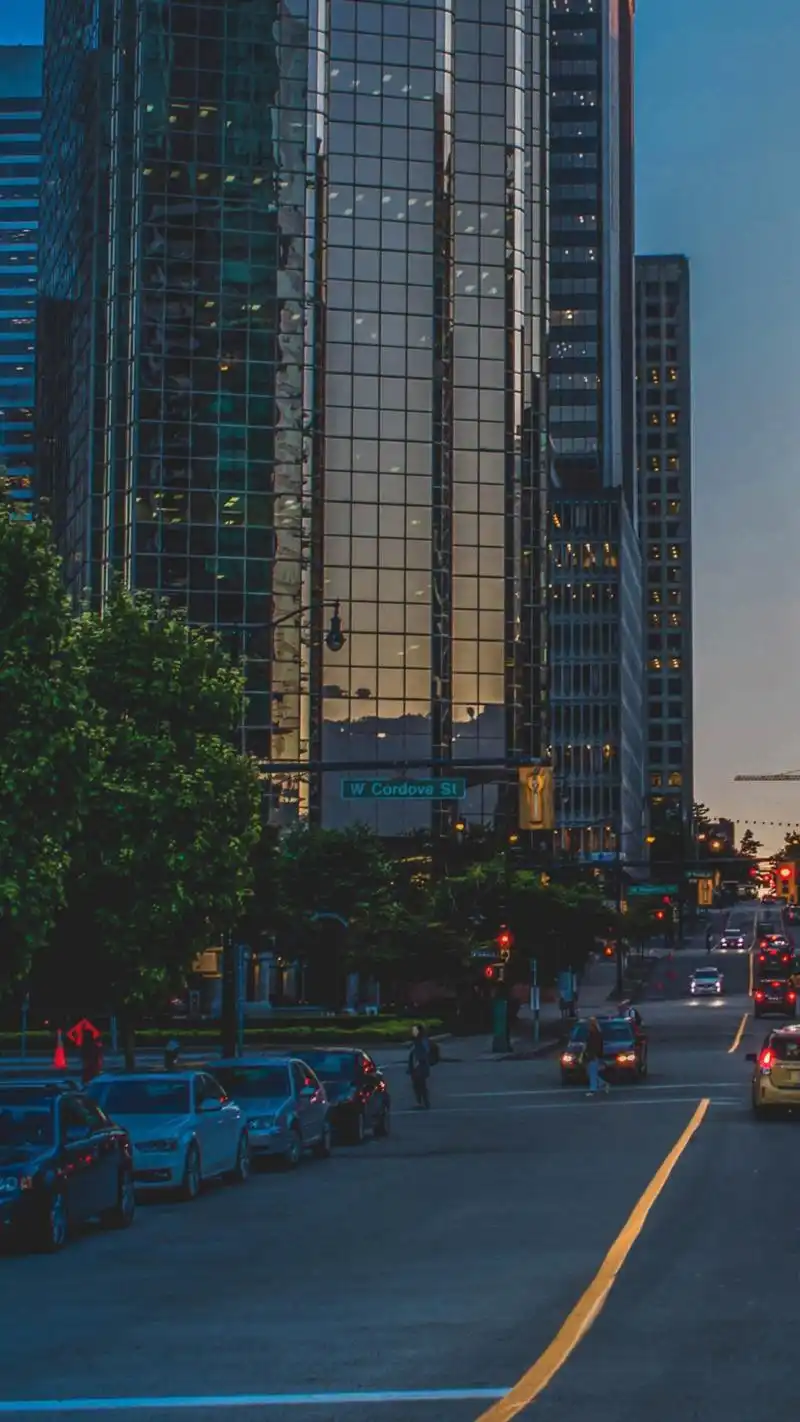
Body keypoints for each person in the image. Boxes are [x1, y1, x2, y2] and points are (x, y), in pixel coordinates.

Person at [408, 1024, 433, 1109]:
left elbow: (424, 1053)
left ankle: (424, 1102)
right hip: (416, 1066)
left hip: (420, 1066)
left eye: (415, 1030)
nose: (413, 1032)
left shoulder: (422, 1041)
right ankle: (421, 1102)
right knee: (417, 1085)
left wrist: (417, 1064)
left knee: (421, 1085)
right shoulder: (416, 1042)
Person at [585, 1017, 609, 1098]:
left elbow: (596, 1046)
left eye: (590, 1024)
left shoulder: (595, 1034)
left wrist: (594, 1055)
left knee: (592, 1073)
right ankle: (603, 1084)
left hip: (593, 1055)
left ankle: (593, 1090)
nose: (588, 1026)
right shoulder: (592, 1033)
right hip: (591, 1055)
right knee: (590, 1072)